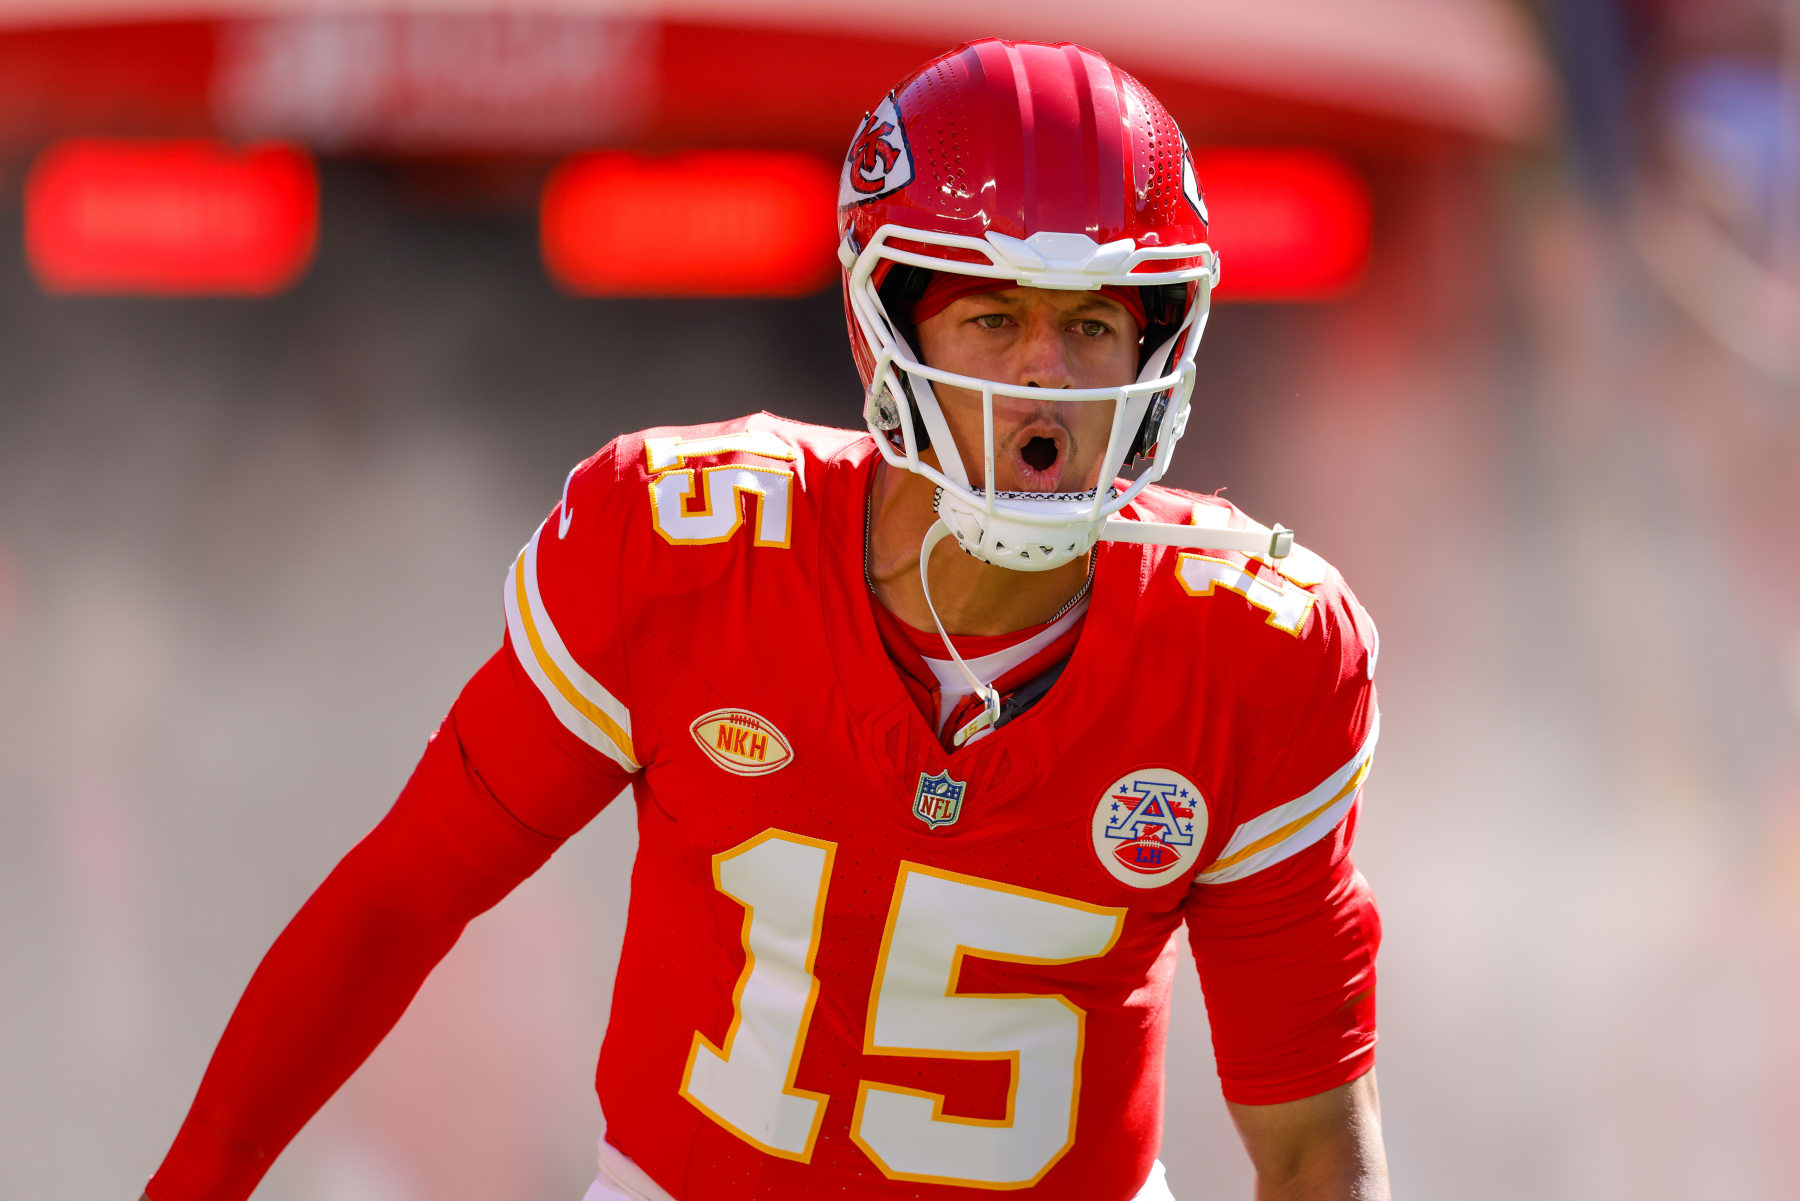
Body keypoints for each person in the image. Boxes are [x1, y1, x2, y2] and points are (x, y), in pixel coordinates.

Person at [144, 38, 1388, 1201]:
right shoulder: (685, 547)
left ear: (1156, 346)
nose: (1041, 379)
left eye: (1090, 324)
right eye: (995, 319)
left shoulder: (1257, 650)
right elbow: (404, 892)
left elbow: (1307, 1131)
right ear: (891, 328)